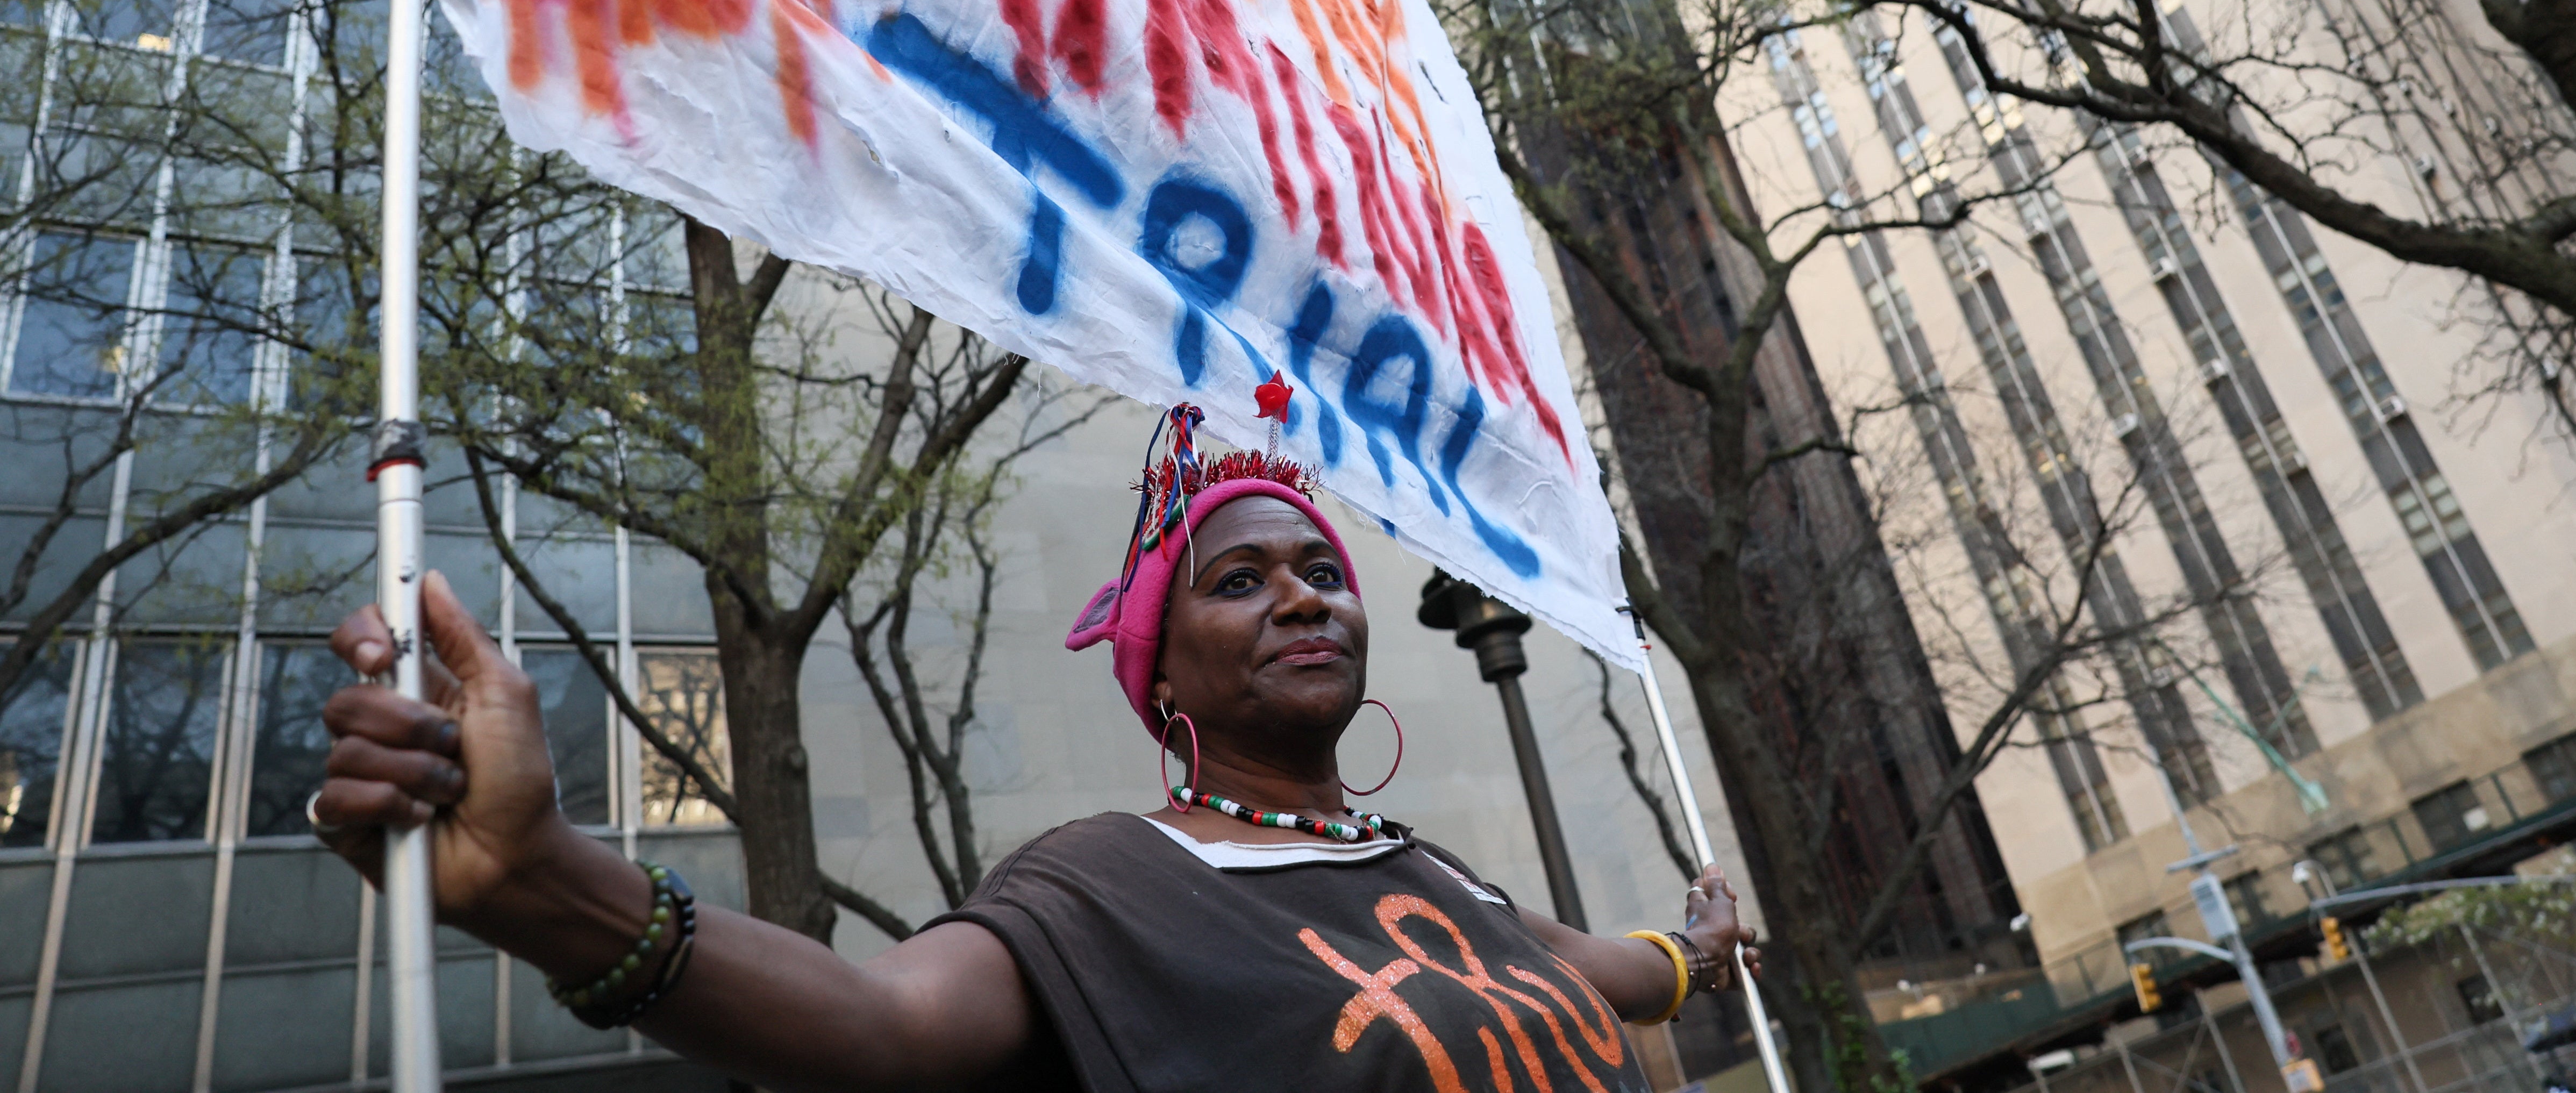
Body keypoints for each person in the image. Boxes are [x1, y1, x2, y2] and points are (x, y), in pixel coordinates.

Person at [310, 435, 1760, 1091]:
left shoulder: (1432, 875)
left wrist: (1698, 947)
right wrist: (547, 884)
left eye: (1319, 568)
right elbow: (878, 1031)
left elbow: (1592, 973)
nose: (1303, 595)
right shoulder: (1113, 881)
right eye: (1240, 583)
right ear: (1161, 670)